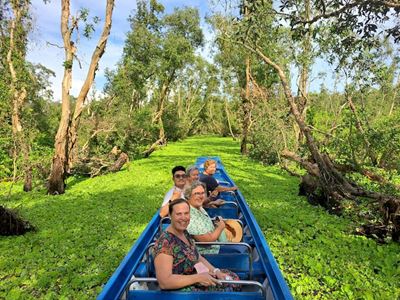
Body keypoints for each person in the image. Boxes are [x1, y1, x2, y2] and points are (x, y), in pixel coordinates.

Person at [153, 198, 239, 291]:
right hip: (181, 290)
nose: (183, 217)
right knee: (228, 288)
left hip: (195, 276)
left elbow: (197, 257)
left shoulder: (184, 232)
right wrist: (198, 278)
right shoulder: (165, 242)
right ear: (170, 216)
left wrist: (215, 271)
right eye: (179, 214)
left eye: (186, 213)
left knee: (231, 278)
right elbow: (165, 282)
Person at [185, 181, 227, 254]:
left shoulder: (198, 207)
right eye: (197, 193)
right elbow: (207, 241)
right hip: (210, 253)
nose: (201, 196)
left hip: (217, 246)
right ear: (189, 196)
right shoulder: (189, 216)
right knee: (243, 250)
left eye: (203, 193)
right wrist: (220, 227)